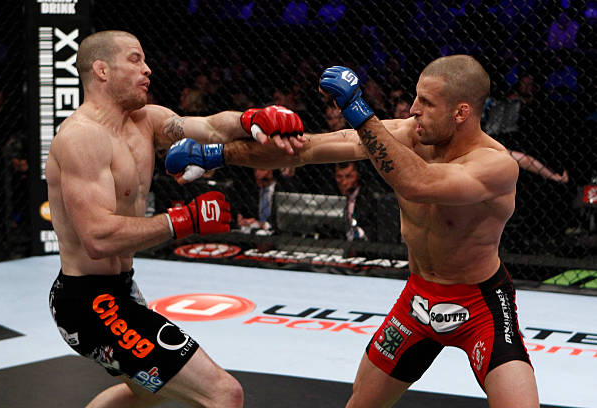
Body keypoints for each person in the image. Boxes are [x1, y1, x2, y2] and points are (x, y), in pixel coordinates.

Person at [168, 55, 539, 407]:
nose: (413, 109)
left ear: (461, 112)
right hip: (418, 298)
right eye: (416, 97)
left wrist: (359, 109)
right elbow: (308, 149)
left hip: (480, 305)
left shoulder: (496, 165)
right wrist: (218, 154)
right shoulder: (409, 134)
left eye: (426, 103)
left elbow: (420, 183)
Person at [46, 30, 304, 408]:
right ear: (102, 70)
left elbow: (210, 127)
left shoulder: (146, 121)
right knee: (224, 394)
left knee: (148, 394)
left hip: (122, 288)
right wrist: (185, 220)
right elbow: (98, 238)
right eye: (135, 59)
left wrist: (253, 118)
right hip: (90, 300)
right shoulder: (80, 137)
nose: (147, 69)